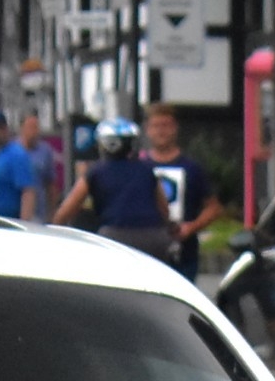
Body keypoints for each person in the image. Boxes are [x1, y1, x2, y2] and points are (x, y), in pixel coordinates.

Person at [51, 118, 174, 261]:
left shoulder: (95, 171)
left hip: (114, 235)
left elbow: (70, 207)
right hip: (153, 237)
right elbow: (164, 208)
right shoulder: (147, 170)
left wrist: (54, 226)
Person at [141, 102, 223, 283]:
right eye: (156, 126)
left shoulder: (192, 167)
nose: (161, 131)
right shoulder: (137, 166)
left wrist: (191, 228)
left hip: (184, 256)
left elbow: (214, 208)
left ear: (175, 128)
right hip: (144, 254)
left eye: (166, 125)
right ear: (147, 130)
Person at [17, 112, 61, 214]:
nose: (35, 131)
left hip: (38, 211)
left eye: (36, 127)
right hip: (15, 211)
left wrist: (53, 211)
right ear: (22, 129)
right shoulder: (12, 150)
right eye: (31, 127)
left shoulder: (45, 151)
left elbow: (51, 184)